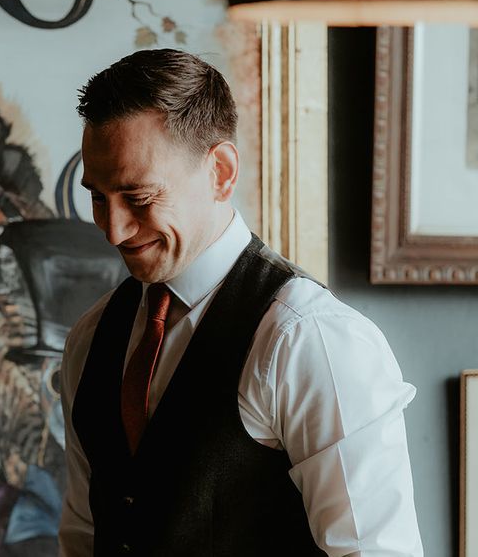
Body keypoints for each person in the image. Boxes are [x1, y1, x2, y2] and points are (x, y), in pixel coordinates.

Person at [58, 49, 422, 556]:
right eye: (98, 197)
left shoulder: (309, 339)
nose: (113, 229)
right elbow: (84, 535)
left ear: (221, 172)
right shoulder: (90, 339)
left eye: (138, 197)